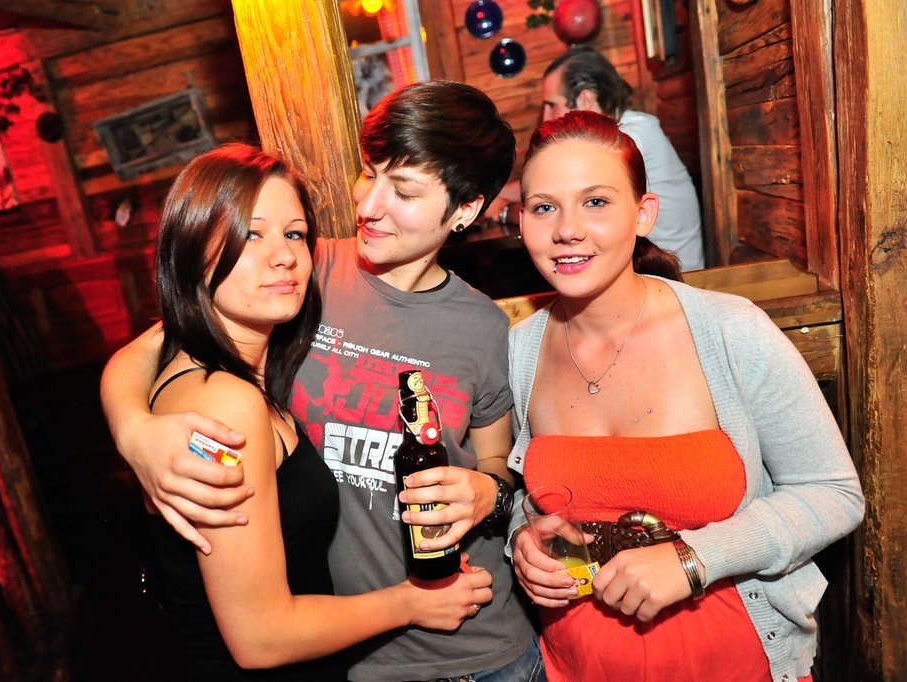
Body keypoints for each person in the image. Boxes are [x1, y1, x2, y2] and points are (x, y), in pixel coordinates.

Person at [101, 82, 542, 681]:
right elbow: (167, 335)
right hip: (350, 655)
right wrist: (133, 429)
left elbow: (499, 460)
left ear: (465, 209)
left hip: (478, 645)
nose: (370, 205)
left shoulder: (484, 327)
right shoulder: (302, 269)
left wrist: (488, 493)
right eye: (369, 173)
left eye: (404, 190)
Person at [507, 110, 864, 681]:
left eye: (595, 202)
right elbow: (521, 493)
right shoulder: (519, 350)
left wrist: (696, 559)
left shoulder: (730, 330)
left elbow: (834, 494)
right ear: (521, 219)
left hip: (736, 662)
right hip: (573, 665)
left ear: (643, 213)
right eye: (544, 207)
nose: (567, 229)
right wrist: (522, 540)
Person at [485, 46, 705, 271]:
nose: (545, 117)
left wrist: (502, 209)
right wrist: (495, 196)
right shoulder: (623, 131)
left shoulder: (627, 138)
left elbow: (554, 187)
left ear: (585, 99)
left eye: (552, 105)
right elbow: (546, 186)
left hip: (673, 274)